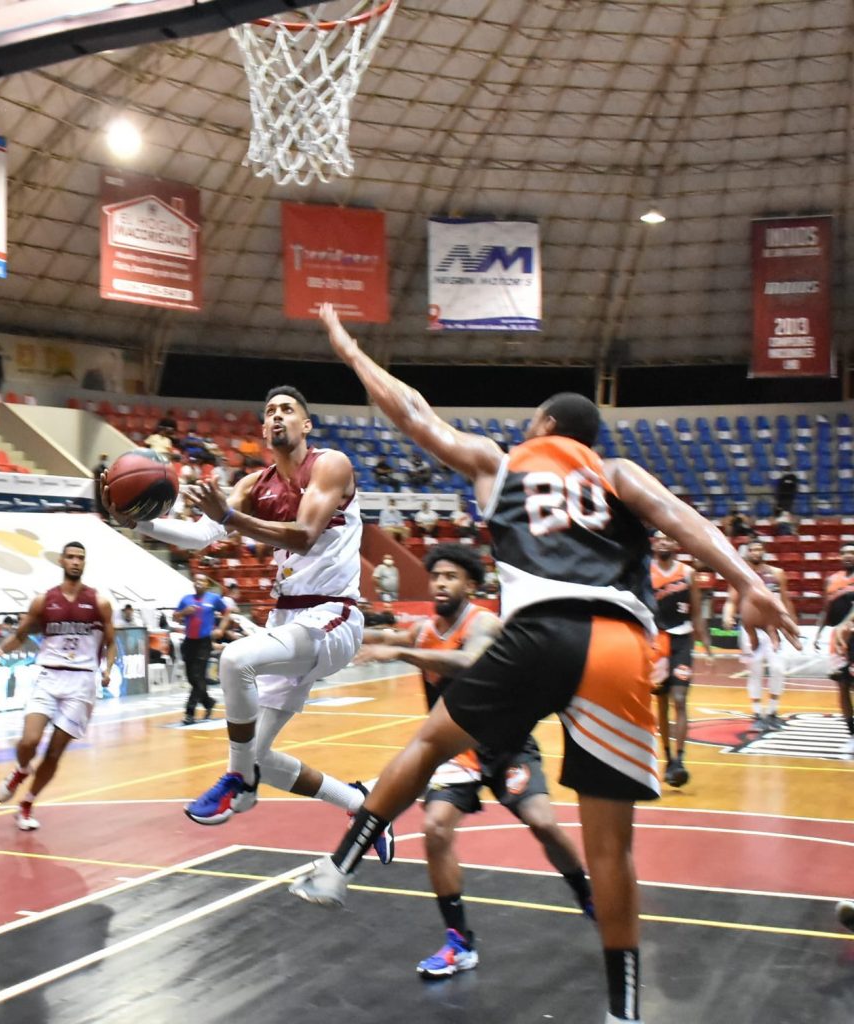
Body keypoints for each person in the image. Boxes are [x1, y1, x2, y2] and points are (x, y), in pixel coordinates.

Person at [287, 304, 797, 1024]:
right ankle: (623, 1010)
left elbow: (413, 413)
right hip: (621, 649)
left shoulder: (504, 461)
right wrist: (750, 583)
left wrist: (350, 351)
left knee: (432, 740)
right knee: (611, 850)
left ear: (547, 428)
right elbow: (686, 521)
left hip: (538, 633)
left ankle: (339, 867)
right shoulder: (618, 470)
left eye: (533, 421)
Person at [102, 386, 394, 860]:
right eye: (270, 412)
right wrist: (135, 522)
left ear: (306, 425)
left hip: (335, 615)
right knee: (264, 757)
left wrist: (233, 517)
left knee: (236, 659)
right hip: (291, 619)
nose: (277, 416)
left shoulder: (330, 464)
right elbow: (200, 537)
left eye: (287, 410)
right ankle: (359, 804)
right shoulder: (253, 484)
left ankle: (238, 781)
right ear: (263, 429)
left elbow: (302, 536)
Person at [356, 544, 594, 976]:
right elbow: (382, 637)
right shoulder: (424, 629)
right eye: (436, 577)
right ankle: (459, 942)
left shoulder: (484, 622)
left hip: (505, 744)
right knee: (435, 828)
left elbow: (469, 662)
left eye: (451, 576)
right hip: (456, 751)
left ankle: (585, 891)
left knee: (542, 823)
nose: (440, 583)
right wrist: (317, 634)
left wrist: (401, 653)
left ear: (470, 584)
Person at [0, 541, 116, 831]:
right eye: (70, 557)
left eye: (80, 558)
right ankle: (21, 770)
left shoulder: (100, 602)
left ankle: (27, 803)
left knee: (54, 753)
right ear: (61, 561)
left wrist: (108, 668)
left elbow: (111, 643)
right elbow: (20, 635)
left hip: (81, 682)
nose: (75, 562)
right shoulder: (44, 600)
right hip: (49, 676)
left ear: (85, 563)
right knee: (29, 741)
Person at [649, 533, 713, 787]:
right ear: (654, 544)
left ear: (676, 545)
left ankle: (680, 758)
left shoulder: (687, 573)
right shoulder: (645, 572)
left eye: (668, 539)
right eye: (659, 539)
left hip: (682, 641)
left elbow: (697, 613)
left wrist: (706, 644)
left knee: (679, 699)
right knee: (662, 703)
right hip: (657, 643)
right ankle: (667, 758)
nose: (664, 542)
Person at [722, 540, 796, 732]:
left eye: (759, 549)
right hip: (750, 628)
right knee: (755, 671)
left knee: (778, 668)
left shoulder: (777, 573)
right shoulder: (740, 575)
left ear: (764, 552)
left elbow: (786, 601)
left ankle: (772, 712)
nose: (756, 552)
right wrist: (728, 616)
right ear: (747, 554)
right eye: (752, 549)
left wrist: (793, 623)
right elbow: (731, 600)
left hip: (775, 627)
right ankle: (757, 714)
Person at [813, 543, 854, 755]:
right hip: (837, 642)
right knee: (842, 686)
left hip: (851, 636)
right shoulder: (831, 580)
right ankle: (852, 735)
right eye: (845, 552)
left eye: (852, 553)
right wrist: (818, 632)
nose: (848, 556)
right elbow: (826, 609)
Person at [175, 573, 231, 725]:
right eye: (196, 580)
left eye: (202, 580)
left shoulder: (213, 598)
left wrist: (221, 629)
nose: (199, 583)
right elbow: (175, 617)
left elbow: (227, 612)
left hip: (204, 643)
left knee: (198, 676)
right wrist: (183, 613)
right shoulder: (186, 599)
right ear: (193, 583)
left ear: (207, 584)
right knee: (192, 678)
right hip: (188, 642)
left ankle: (189, 712)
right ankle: (208, 702)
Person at [92, 454, 109, 521]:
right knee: (99, 503)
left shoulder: (106, 468)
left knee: (104, 503)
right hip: (98, 488)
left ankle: (105, 517)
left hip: (103, 488)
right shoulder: (98, 468)